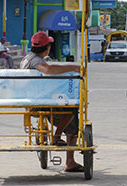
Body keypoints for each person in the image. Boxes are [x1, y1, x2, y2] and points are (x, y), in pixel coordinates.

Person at [20, 31, 83, 172]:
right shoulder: (36, 61)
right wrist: (73, 67)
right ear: (47, 47)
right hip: (39, 104)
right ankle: (61, 145)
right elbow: (47, 70)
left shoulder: (27, 59)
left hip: (31, 101)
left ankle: (58, 137)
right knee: (72, 109)